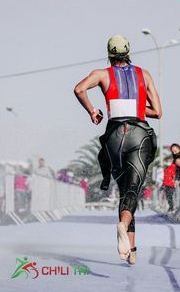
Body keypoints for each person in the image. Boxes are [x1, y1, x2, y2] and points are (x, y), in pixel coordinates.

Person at [74, 34, 162, 264]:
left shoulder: (102, 74)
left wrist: (93, 111)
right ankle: (123, 226)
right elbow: (158, 112)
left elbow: (79, 89)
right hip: (139, 135)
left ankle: (131, 250)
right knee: (133, 189)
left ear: (109, 54)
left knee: (125, 190)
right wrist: (136, 107)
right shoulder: (144, 74)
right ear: (129, 52)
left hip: (114, 136)